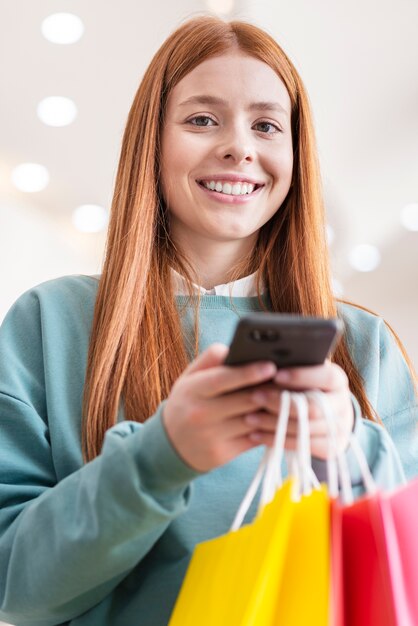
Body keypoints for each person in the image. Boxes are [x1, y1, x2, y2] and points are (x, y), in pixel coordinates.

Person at [0, 15, 416, 626]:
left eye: (268, 125)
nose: (240, 147)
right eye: (201, 119)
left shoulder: (363, 345)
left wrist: (349, 448)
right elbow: (14, 585)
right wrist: (161, 458)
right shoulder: (49, 323)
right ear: (151, 142)